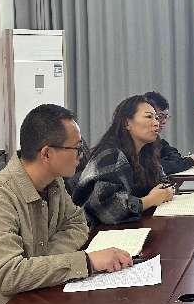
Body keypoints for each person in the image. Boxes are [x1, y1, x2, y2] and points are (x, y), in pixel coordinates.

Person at [0, 104, 132, 304]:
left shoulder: (54, 182)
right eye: (76, 148)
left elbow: (77, 223)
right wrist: (88, 262)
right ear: (47, 153)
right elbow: (9, 276)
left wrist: (42, 262)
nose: (81, 156)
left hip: (34, 297)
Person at [73, 95, 175, 227]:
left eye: (156, 118)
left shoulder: (145, 152)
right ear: (127, 123)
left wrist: (166, 190)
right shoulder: (111, 155)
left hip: (124, 226)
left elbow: (162, 181)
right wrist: (149, 200)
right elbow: (110, 210)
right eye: (149, 117)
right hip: (92, 231)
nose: (156, 123)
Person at [143, 91, 194, 175]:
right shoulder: (137, 141)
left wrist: (174, 163)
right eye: (160, 117)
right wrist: (188, 162)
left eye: (166, 117)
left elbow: (173, 154)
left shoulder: (155, 138)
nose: (164, 121)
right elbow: (154, 168)